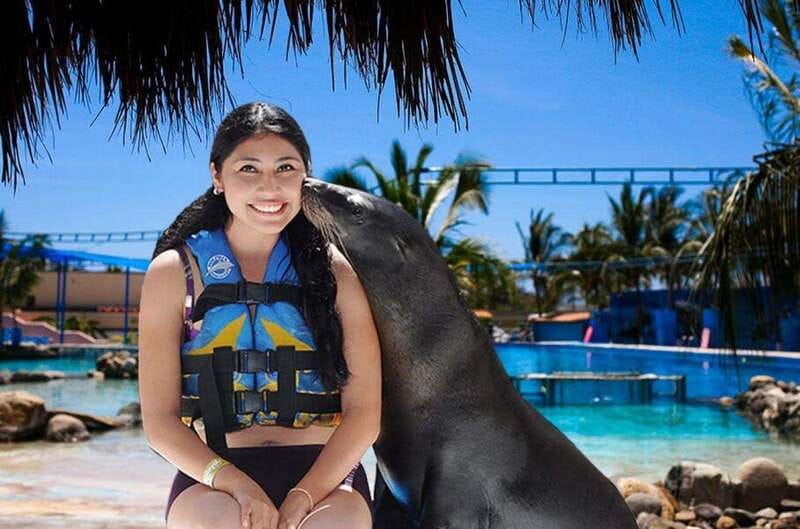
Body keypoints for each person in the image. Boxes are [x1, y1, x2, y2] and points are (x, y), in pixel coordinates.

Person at [138, 102, 382, 529]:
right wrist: (235, 484)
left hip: (326, 477)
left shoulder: (336, 272)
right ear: (217, 176)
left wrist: (305, 495)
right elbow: (159, 422)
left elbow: (364, 413)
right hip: (213, 476)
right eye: (248, 169)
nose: (269, 188)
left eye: (286, 168)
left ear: (305, 176)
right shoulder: (173, 274)